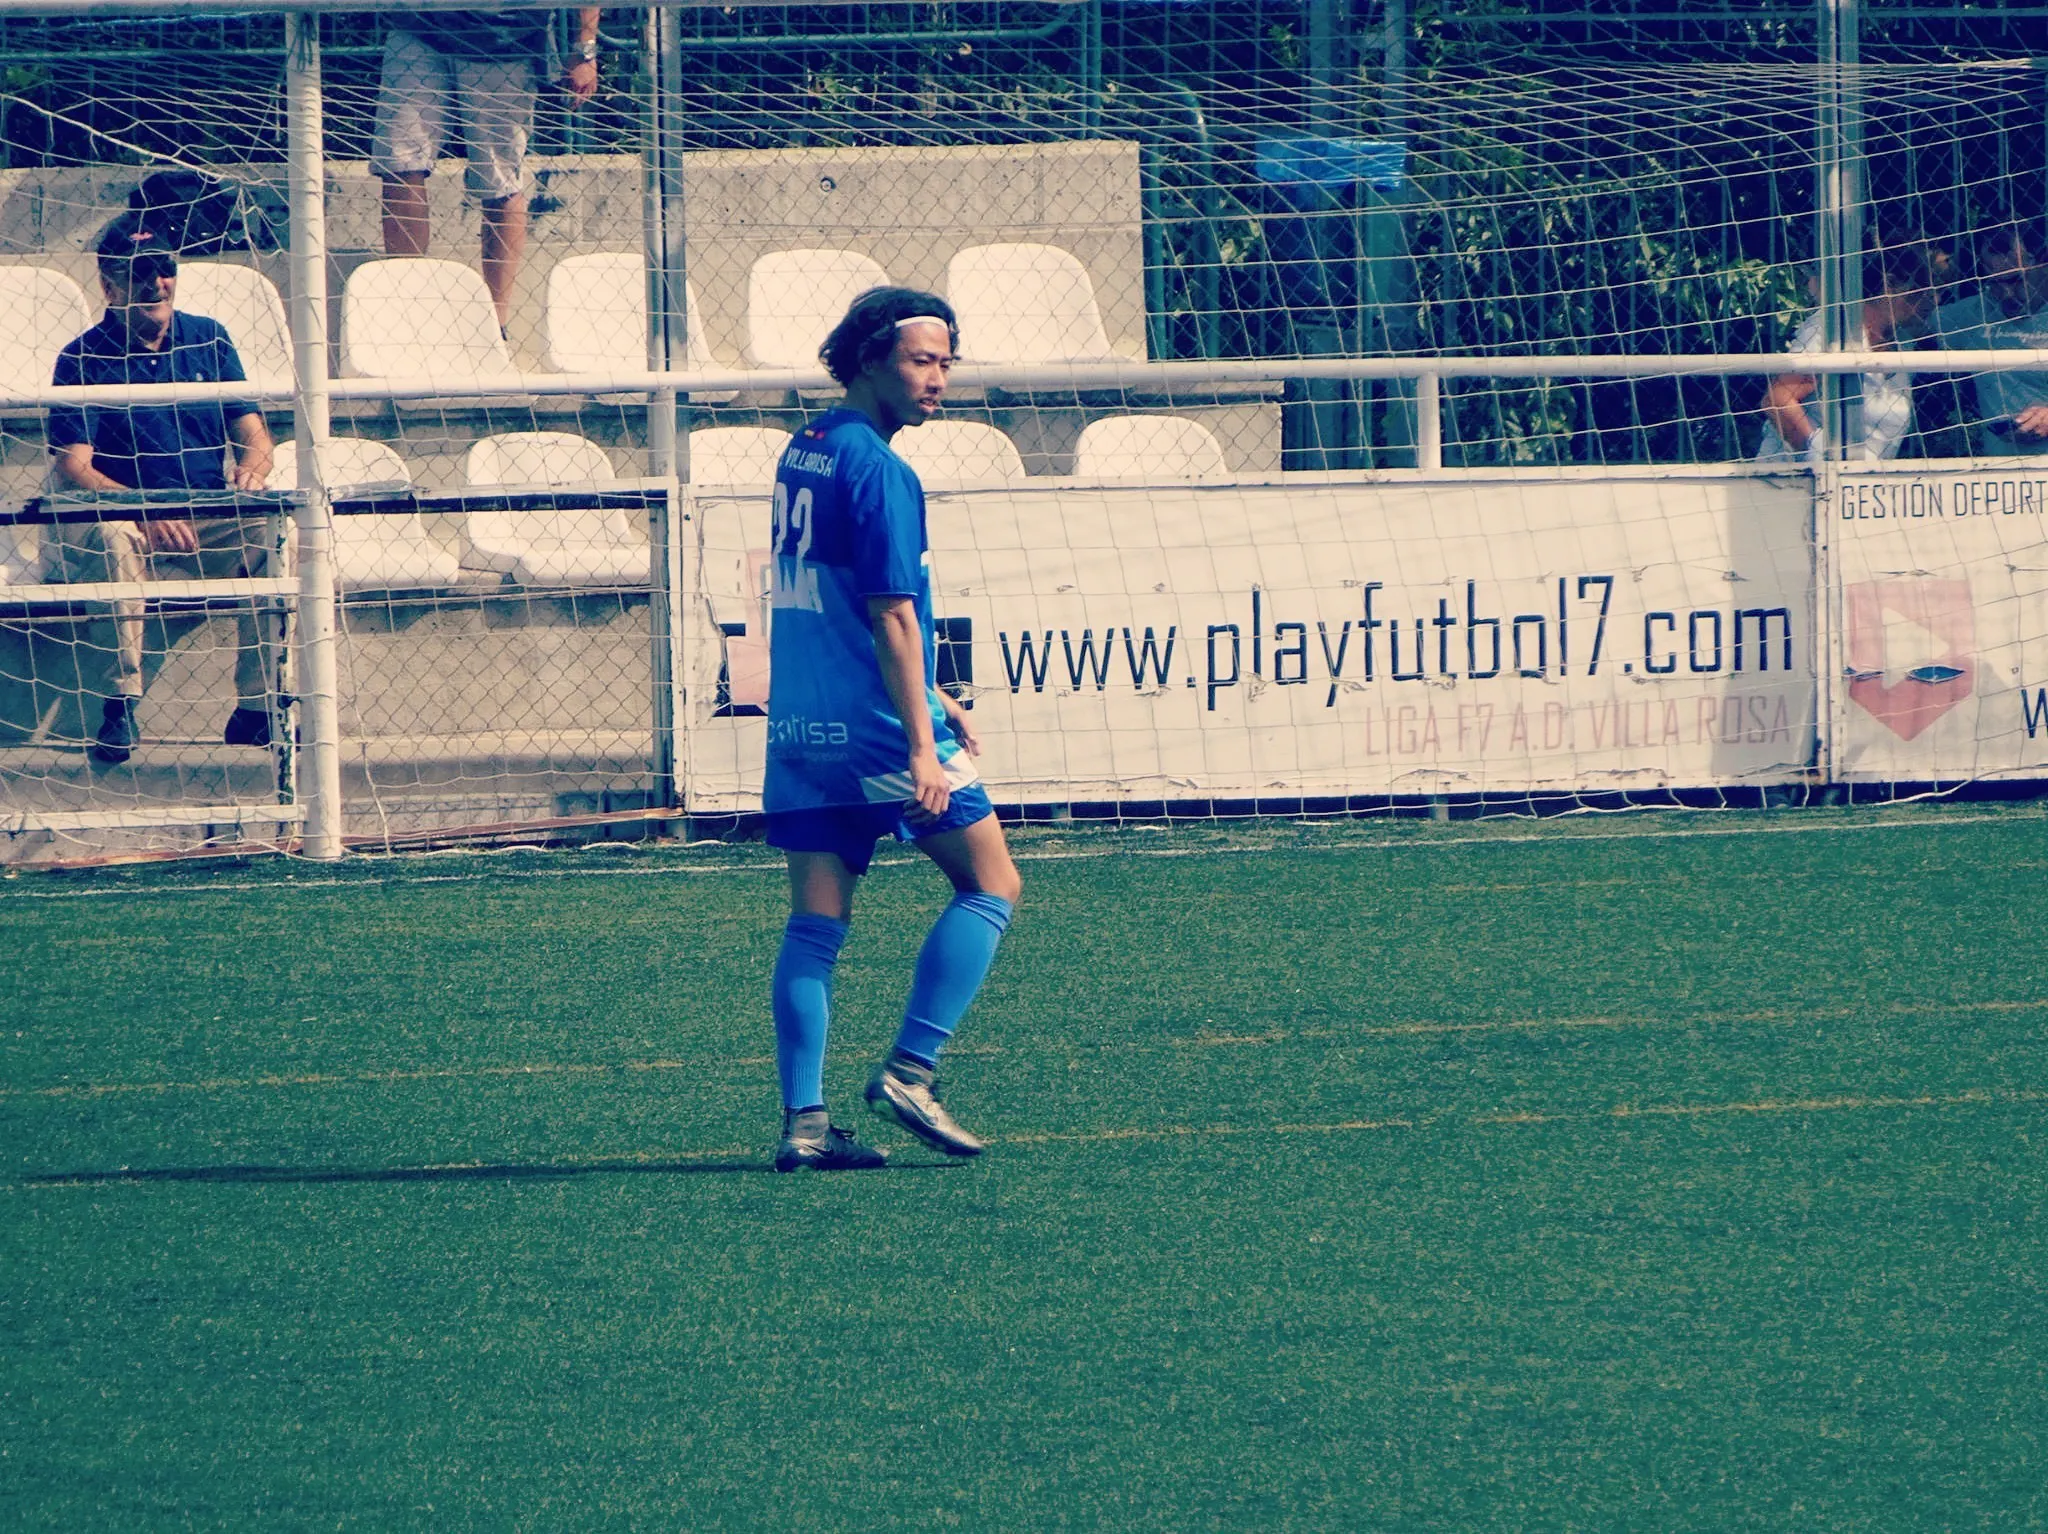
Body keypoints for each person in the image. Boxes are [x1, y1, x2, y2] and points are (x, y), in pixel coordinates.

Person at [762, 287, 1023, 1173]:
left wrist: (936, 694)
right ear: (870, 358)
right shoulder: (880, 469)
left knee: (815, 923)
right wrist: (921, 744)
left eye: (947, 362)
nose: (938, 378)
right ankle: (912, 1071)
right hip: (875, 730)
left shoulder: (806, 446)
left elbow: (841, 600)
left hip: (802, 727)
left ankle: (804, 1125)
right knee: (991, 883)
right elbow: (892, 614)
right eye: (921, 360)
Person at [46, 214, 277, 768]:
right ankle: (120, 703)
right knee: (113, 540)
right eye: (139, 273)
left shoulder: (210, 337)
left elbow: (255, 435)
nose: (156, 284)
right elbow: (73, 465)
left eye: (163, 269)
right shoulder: (81, 357)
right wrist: (143, 509)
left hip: (207, 516)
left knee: (279, 530)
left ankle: (257, 703)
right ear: (109, 286)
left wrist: (253, 470)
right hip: (128, 516)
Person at [370, 8, 601, 331]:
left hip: (503, 39)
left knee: (499, 181)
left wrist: (585, 49)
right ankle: (408, 314)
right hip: (417, 23)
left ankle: (494, 328)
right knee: (399, 162)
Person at [1756, 245, 1935, 467]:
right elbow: (1778, 399)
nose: (1933, 301)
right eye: (1922, 292)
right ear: (1889, 285)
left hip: (1864, 480)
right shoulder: (1832, 330)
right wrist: (1819, 454)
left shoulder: (1903, 344)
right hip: (1792, 476)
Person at [1934, 223, 2048, 455]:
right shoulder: (1969, 316)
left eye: (2016, 280)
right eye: (1995, 282)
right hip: (2001, 468)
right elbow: (1903, 318)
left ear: (2043, 266)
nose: (2006, 294)